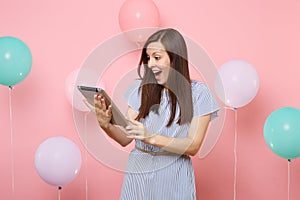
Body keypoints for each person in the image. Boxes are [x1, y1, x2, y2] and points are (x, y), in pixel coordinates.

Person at [92, 28, 219, 200]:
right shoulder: (141, 89)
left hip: (173, 175)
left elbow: (193, 145)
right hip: (138, 172)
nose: (150, 64)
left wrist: (150, 137)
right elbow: (125, 138)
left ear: (175, 59)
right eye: (148, 58)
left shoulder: (198, 93)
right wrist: (105, 124)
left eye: (157, 57)